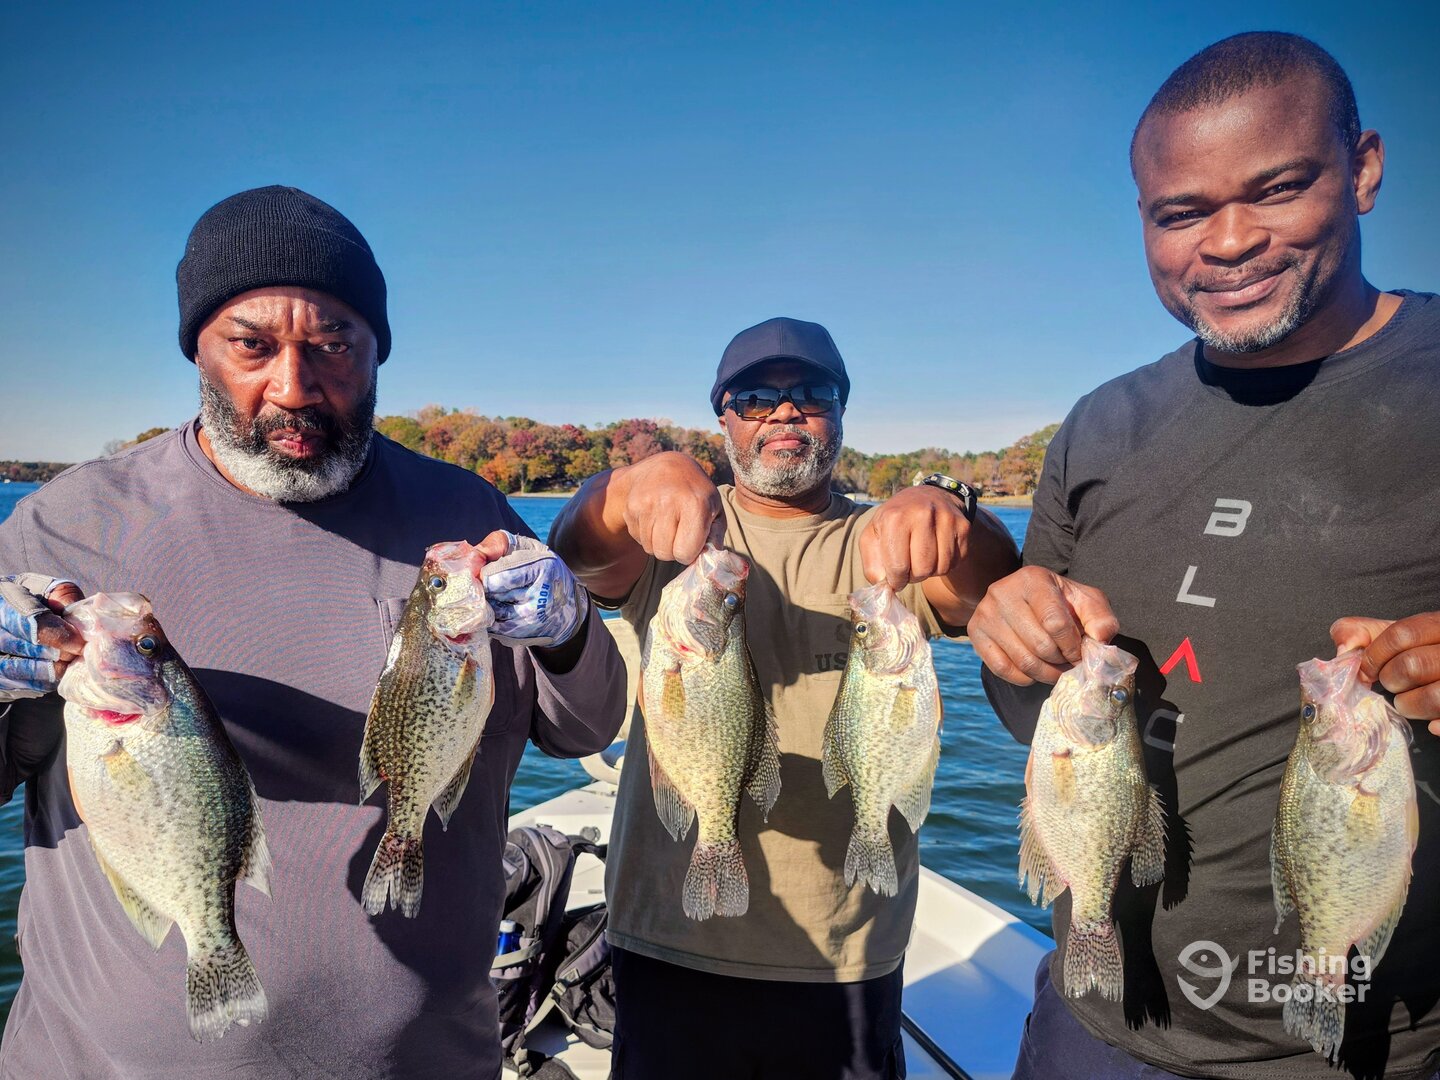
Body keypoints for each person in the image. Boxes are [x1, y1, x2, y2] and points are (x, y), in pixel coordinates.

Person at [0, 185, 627, 1078]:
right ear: (199, 351)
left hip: (425, 1056)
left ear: (376, 353)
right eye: (251, 345)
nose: (293, 386)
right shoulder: (70, 523)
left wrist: (567, 627)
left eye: (333, 345)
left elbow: (585, 729)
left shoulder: (465, 514)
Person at [969, 33, 1440, 1080]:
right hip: (1091, 1024)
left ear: (1362, 170)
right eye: (1181, 213)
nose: (1227, 242)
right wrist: (1008, 643)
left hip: (1379, 1045)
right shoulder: (1102, 425)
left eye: (1275, 189)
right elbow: (1039, 722)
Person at [549, 315, 1020, 1078]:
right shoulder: (676, 529)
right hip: (666, 936)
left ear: (839, 414)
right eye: (757, 396)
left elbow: (992, 588)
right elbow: (577, 550)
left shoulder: (885, 546)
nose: (784, 411)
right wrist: (629, 483)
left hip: (847, 948)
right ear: (724, 418)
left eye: (811, 394)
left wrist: (953, 508)